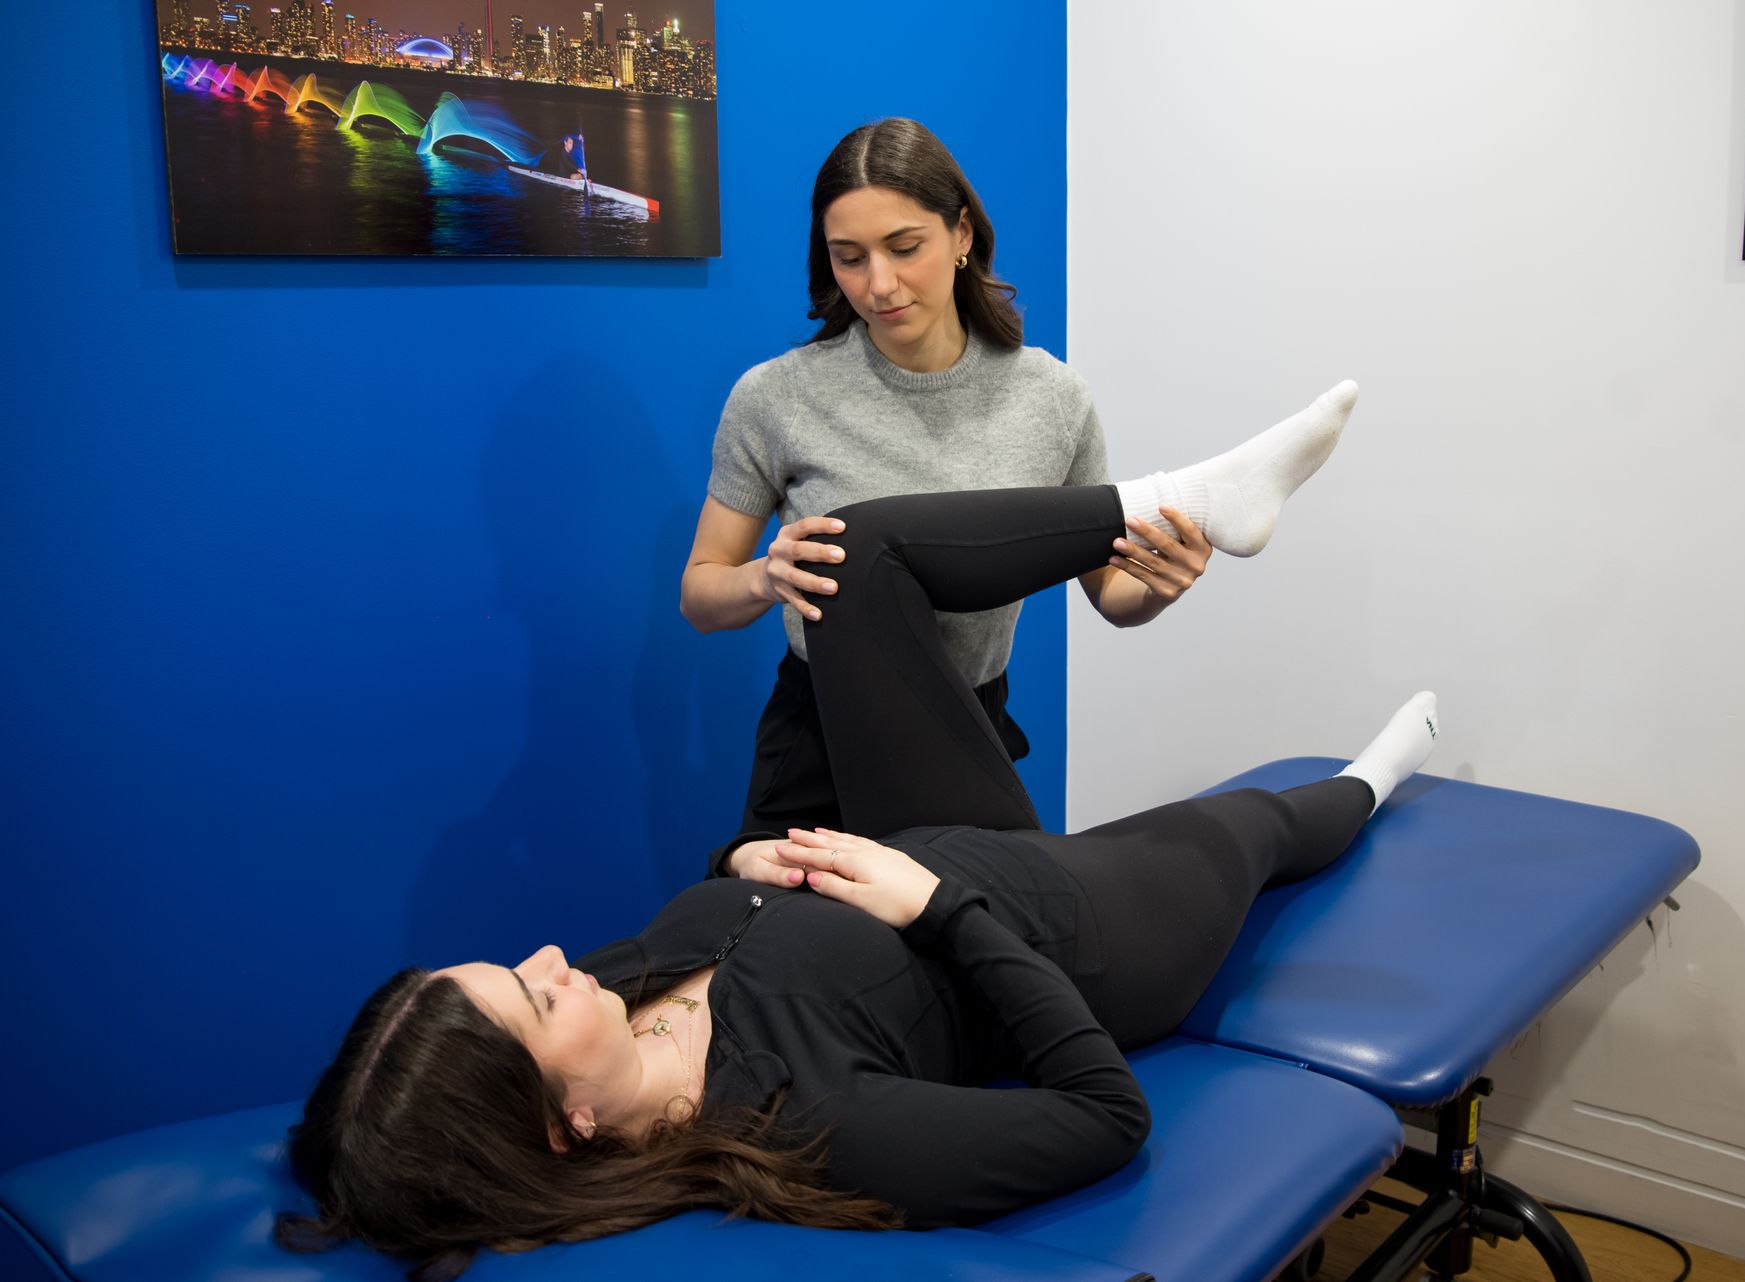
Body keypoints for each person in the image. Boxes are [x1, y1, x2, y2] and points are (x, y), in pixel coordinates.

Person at [279, 382, 1439, 1279]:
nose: (548, 959)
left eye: (511, 968)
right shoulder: (800, 1117)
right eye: (533, 998)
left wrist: (741, 864)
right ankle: (1379, 779)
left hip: (926, 824)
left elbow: (732, 924)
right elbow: (1103, 1119)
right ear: (569, 1125)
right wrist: (938, 909)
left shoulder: (613, 989)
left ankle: (1179, 497)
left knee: (846, 553)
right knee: (1256, 820)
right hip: (1068, 925)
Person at [682, 117, 1253, 858]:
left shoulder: (1053, 398)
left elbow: (1112, 594)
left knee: (986, 952)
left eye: (904, 248)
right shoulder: (776, 397)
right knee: (800, 954)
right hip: (823, 734)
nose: (878, 285)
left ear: (961, 235)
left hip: (972, 721)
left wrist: (1161, 583)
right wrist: (765, 577)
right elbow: (701, 594)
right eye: (848, 258)